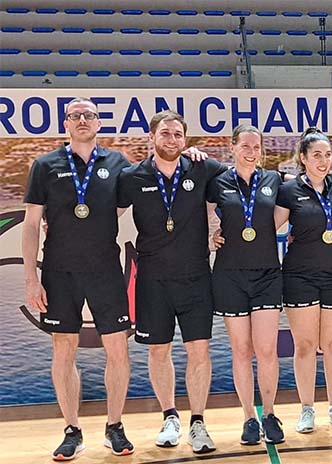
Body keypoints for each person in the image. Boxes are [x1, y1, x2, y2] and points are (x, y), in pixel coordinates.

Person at [22, 97, 134, 460]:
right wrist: (30, 280)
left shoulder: (117, 163)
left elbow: (141, 191)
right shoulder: (45, 165)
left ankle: (114, 426)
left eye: (90, 115)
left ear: (99, 123)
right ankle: (72, 429)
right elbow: (31, 224)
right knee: (63, 349)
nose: (83, 119)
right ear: (66, 123)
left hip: (105, 270)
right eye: (76, 115)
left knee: (117, 350)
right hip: (58, 271)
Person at [117, 110, 227, 454]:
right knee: (158, 350)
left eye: (178, 135)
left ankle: (197, 423)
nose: (172, 140)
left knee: (199, 351)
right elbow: (104, 212)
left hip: (196, 278)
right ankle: (169, 417)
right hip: (152, 279)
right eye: (165, 134)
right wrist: (55, 224)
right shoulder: (132, 176)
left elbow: (243, 187)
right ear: (152, 137)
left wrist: (224, 230)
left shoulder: (202, 167)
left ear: (186, 139)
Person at [206, 125, 285, 445]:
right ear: (233, 147)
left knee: (266, 349)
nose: (252, 152)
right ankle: (249, 418)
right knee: (241, 350)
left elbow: (305, 198)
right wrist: (211, 234)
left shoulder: (273, 180)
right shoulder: (218, 182)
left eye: (257, 147)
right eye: (246, 146)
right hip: (230, 275)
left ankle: (269, 413)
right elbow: (198, 212)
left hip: (266, 274)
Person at [274, 128, 332, 434]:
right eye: (317, 155)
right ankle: (307, 408)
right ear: (303, 158)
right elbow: (267, 227)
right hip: (300, 276)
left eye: (328, 154)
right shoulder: (289, 190)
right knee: (305, 346)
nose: (324, 161)